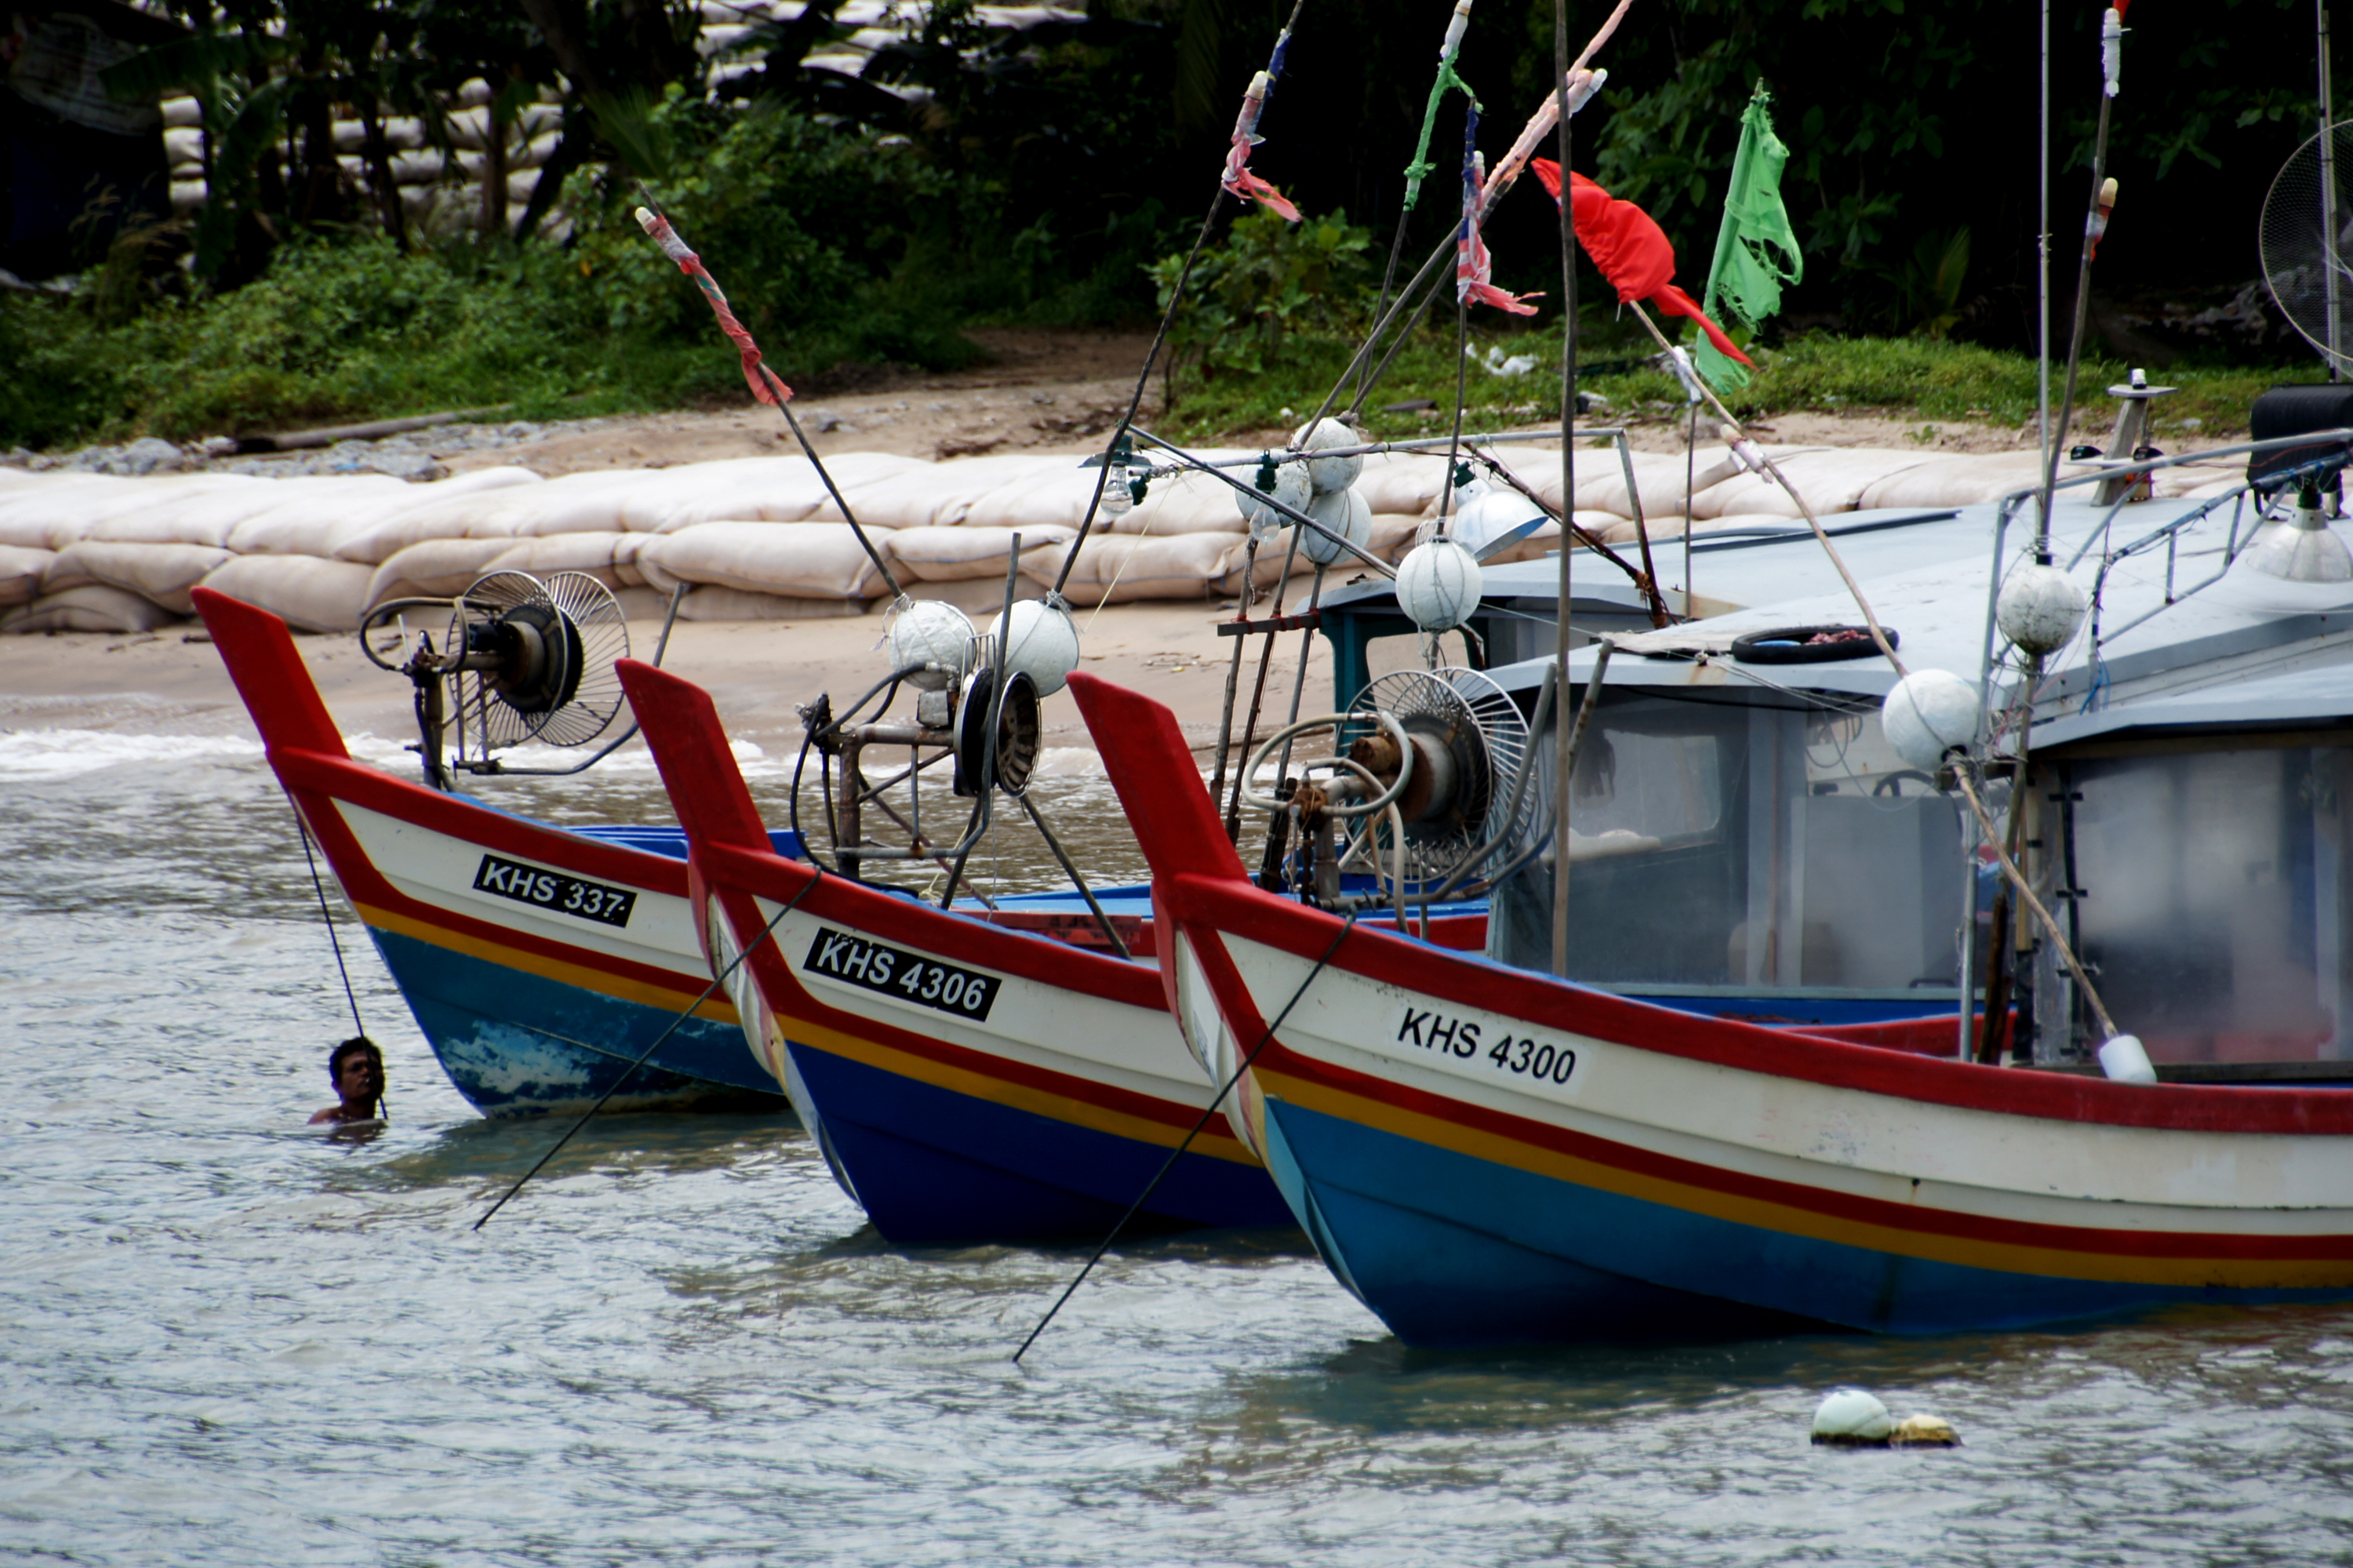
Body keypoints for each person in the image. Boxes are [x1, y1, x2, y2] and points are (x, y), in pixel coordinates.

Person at [310, 1037, 385, 1125]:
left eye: (374, 1066)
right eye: (355, 1069)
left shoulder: (382, 1124)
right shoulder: (328, 1119)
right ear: (338, 1086)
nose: (367, 1072)